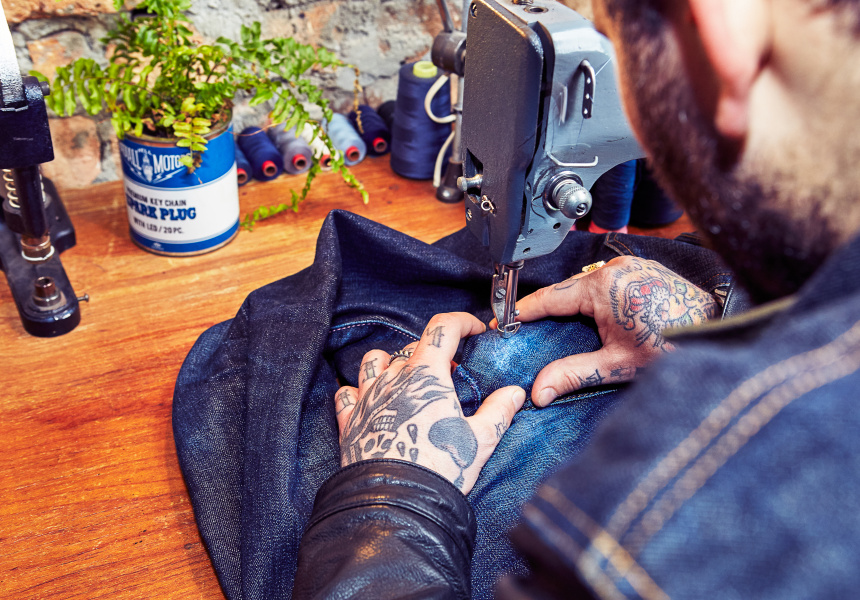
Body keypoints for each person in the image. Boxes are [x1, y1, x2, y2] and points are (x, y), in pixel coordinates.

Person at [292, 0, 860, 597]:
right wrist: (718, 314)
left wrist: (390, 500)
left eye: (610, 37)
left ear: (720, 27)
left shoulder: (655, 536)